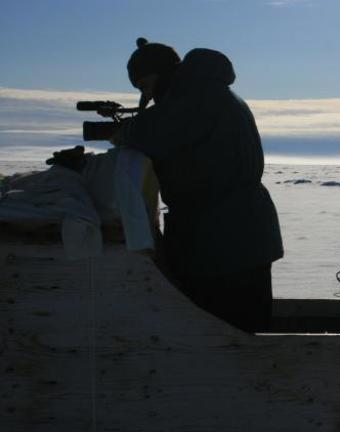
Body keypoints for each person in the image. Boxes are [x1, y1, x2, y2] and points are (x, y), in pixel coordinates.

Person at [112, 38, 284, 333]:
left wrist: (121, 131)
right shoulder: (205, 91)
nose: (147, 95)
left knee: (228, 339)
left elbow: (151, 132)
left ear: (159, 73)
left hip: (226, 239)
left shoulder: (196, 95)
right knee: (240, 334)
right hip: (232, 235)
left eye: (144, 85)